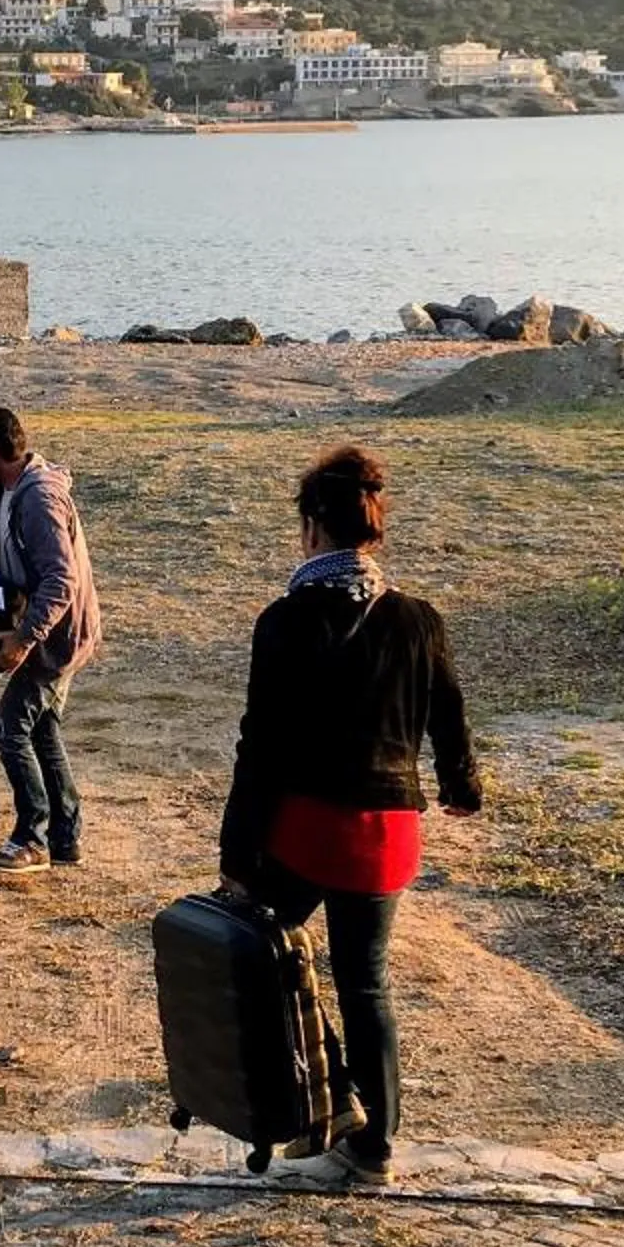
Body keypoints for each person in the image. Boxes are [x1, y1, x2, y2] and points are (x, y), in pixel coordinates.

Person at [218, 445, 481, 1189]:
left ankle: (297, 1115)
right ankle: (375, 1149)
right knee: (365, 985)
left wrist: (237, 852)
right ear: (373, 527)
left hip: (307, 829)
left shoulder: (286, 622)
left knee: (261, 965)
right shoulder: (418, 620)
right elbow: (450, 719)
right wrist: (462, 787)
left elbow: (259, 746)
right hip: (388, 836)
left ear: (311, 529)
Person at [0, 405, 102, 876]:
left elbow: (60, 580)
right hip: (51, 632)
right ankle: (66, 838)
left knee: (8, 729)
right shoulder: (6, 489)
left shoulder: (39, 497)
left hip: (55, 638)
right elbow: (5, 541)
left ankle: (32, 837)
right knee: (42, 731)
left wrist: (24, 640)